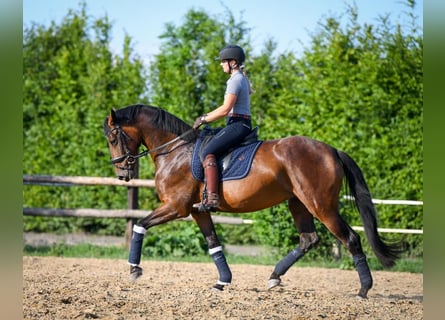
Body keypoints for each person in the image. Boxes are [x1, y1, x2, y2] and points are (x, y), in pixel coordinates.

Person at [192, 44, 254, 211]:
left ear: (232, 62)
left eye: (223, 61)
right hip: (240, 123)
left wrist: (204, 118)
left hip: (238, 124)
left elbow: (225, 109)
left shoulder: (235, 80)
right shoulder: (241, 78)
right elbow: (249, 92)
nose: (220, 64)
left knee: (207, 152)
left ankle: (212, 197)